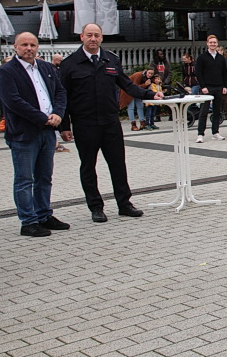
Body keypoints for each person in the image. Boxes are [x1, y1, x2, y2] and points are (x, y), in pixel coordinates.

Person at [58, 22, 161, 222]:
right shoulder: (70, 64)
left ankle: (124, 204)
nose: (93, 39)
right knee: (88, 166)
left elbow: (127, 84)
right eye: (89, 35)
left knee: (118, 164)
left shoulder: (111, 60)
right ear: (82, 37)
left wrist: (150, 94)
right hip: (85, 123)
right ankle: (96, 207)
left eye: (96, 35)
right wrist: (64, 126)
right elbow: (63, 96)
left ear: (102, 38)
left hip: (110, 122)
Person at [0, 32, 69, 237]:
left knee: (44, 177)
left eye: (33, 45)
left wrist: (58, 114)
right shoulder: (6, 72)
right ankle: (28, 221)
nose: (29, 48)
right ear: (15, 47)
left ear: (37, 47)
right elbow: (13, 101)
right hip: (24, 134)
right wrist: (41, 118)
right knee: (25, 180)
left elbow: (60, 92)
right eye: (24, 44)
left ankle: (44, 215)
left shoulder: (46, 68)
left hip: (48, 131)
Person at [195, 35, 227, 142]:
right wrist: (203, 86)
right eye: (211, 42)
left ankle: (215, 132)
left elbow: (224, 73)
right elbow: (198, 73)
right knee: (203, 111)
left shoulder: (221, 58)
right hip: (207, 88)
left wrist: (224, 86)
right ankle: (200, 134)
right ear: (207, 43)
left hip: (218, 87)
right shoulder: (202, 57)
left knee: (217, 111)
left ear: (217, 44)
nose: (213, 44)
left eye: (214, 42)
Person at [123, 66, 153, 131]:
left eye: (151, 74)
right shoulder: (138, 75)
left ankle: (142, 123)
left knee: (140, 106)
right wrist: (145, 85)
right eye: (149, 73)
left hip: (137, 91)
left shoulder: (147, 78)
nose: (150, 75)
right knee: (131, 107)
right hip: (129, 91)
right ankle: (133, 124)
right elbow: (134, 86)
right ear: (146, 71)